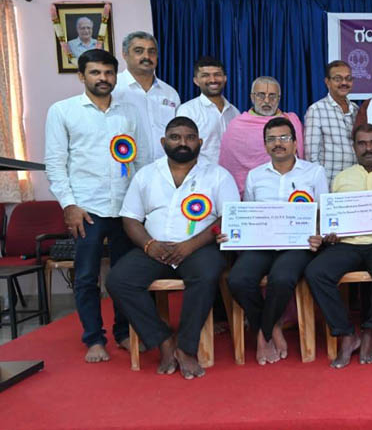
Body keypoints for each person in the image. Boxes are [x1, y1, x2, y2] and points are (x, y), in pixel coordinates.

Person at [105, 117, 239, 379]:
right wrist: (149, 244)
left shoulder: (218, 175)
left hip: (199, 248)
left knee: (206, 274)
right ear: (163, 141)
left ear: (200, 142)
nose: (183, 143)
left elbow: (229, 217)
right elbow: (130, 218)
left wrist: (191, 245)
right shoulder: (146, 174)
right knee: (118, 280)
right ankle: (164, 341)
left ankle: (186, 348)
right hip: (155, 248)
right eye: (176, 137)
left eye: (190, 137)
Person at [44, 49, 144, 363]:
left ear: (116, 76)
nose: (103, 78)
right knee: (87, 277)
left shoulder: (129, 113)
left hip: (126, 209)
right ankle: (94, 339)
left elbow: (139, 160)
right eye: (95, 72)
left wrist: (142, 205)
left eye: (108, 73)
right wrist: (69, 205)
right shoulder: (63, 111)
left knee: (124, 277)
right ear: (81, 76)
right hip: (86, 209)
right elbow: (55, 163)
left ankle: (124, 333)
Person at [305, 123, 372, 368]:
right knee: (315, 272)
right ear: (354, 147)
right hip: (347, 244)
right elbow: (332, 218)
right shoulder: (342, 178)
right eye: (362, 143)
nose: (368, 148)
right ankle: (346, 334)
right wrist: (331, 234)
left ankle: (369, 331)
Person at [227, 117, 327, 365]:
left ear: (295, 142)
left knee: (282, 279)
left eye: (284, 138)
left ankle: (262, 334)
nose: (278, 143)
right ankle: (272, 327)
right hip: (261, 245)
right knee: (238, 279)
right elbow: (248, 215)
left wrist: (319, 235)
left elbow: (323, 213)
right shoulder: (255, 176)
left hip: (298, 245)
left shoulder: (314, 172)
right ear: (265, 145)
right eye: (271, 139)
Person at [219, 76, 305, 194]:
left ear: (279, 98)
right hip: (248, 195)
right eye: (261, 95)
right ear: (252, 97)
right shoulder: (236, 126)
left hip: (289, 190)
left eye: (272, 96)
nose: (267, 101)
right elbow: (230, 165)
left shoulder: (291, 121)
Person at [113, 31, 180, 165]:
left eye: (152, 51)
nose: (146, 56)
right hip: (126, 167)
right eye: (139, 51)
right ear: (125, 54)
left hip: (164, 168)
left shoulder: (170, 93)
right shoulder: (114, 89)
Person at [176, 56, 240, 164]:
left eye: (217, 75)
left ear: (225, 78)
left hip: (231, 172)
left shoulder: (234, 112)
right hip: (200, 172)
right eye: (205, 75)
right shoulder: (187, 111)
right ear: (196, 81)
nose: (213, 80)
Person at [304, 60, 360, 181]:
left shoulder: (356, 110)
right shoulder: (316, 110)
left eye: (348, 78)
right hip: (329, 182)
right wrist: (319, 183)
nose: (344, 83)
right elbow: (311, 155)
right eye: (338, 79)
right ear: (327, 82)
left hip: (355, 181)